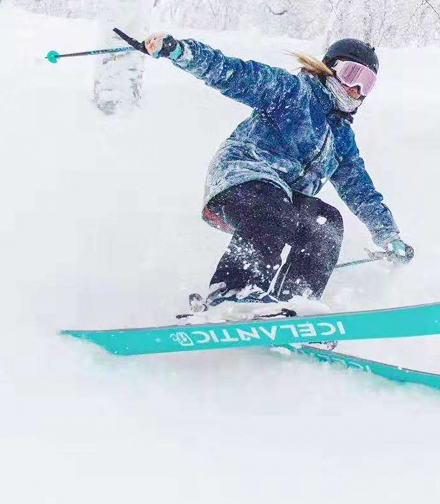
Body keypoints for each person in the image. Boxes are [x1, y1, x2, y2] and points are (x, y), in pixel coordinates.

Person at [141, 32, 413, 315]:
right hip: (241, 178)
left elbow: (361, 191)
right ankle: (233, 291)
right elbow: (233, 73)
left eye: (367, 83)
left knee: (326, 222)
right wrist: (181, 51)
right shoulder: (292, 92)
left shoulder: (341, 137)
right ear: (329, 68)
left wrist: (388, 235)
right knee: (273, 206)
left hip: (282, 201)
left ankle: (294, 303)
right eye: (352, 74)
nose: (356, 88)